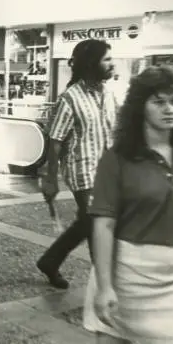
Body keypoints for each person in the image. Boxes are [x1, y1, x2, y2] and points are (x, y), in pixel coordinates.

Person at [83, 65, 173, 344]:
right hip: (126, 272)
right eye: (158, 102)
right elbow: (104, 224)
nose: (169, 109)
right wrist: (105, 286)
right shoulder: (117, 158)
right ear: (140, 108)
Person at [36, 39, 117, 289]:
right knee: (96, 223)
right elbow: (55, 140)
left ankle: (50, 261)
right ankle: (106, 284)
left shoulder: (110, 95)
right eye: (107, 59)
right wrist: (50, 179)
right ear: (92, 64)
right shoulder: (70, 98)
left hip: (108, 171)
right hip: (82, 170)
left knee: (87, 221)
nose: (112, 64)